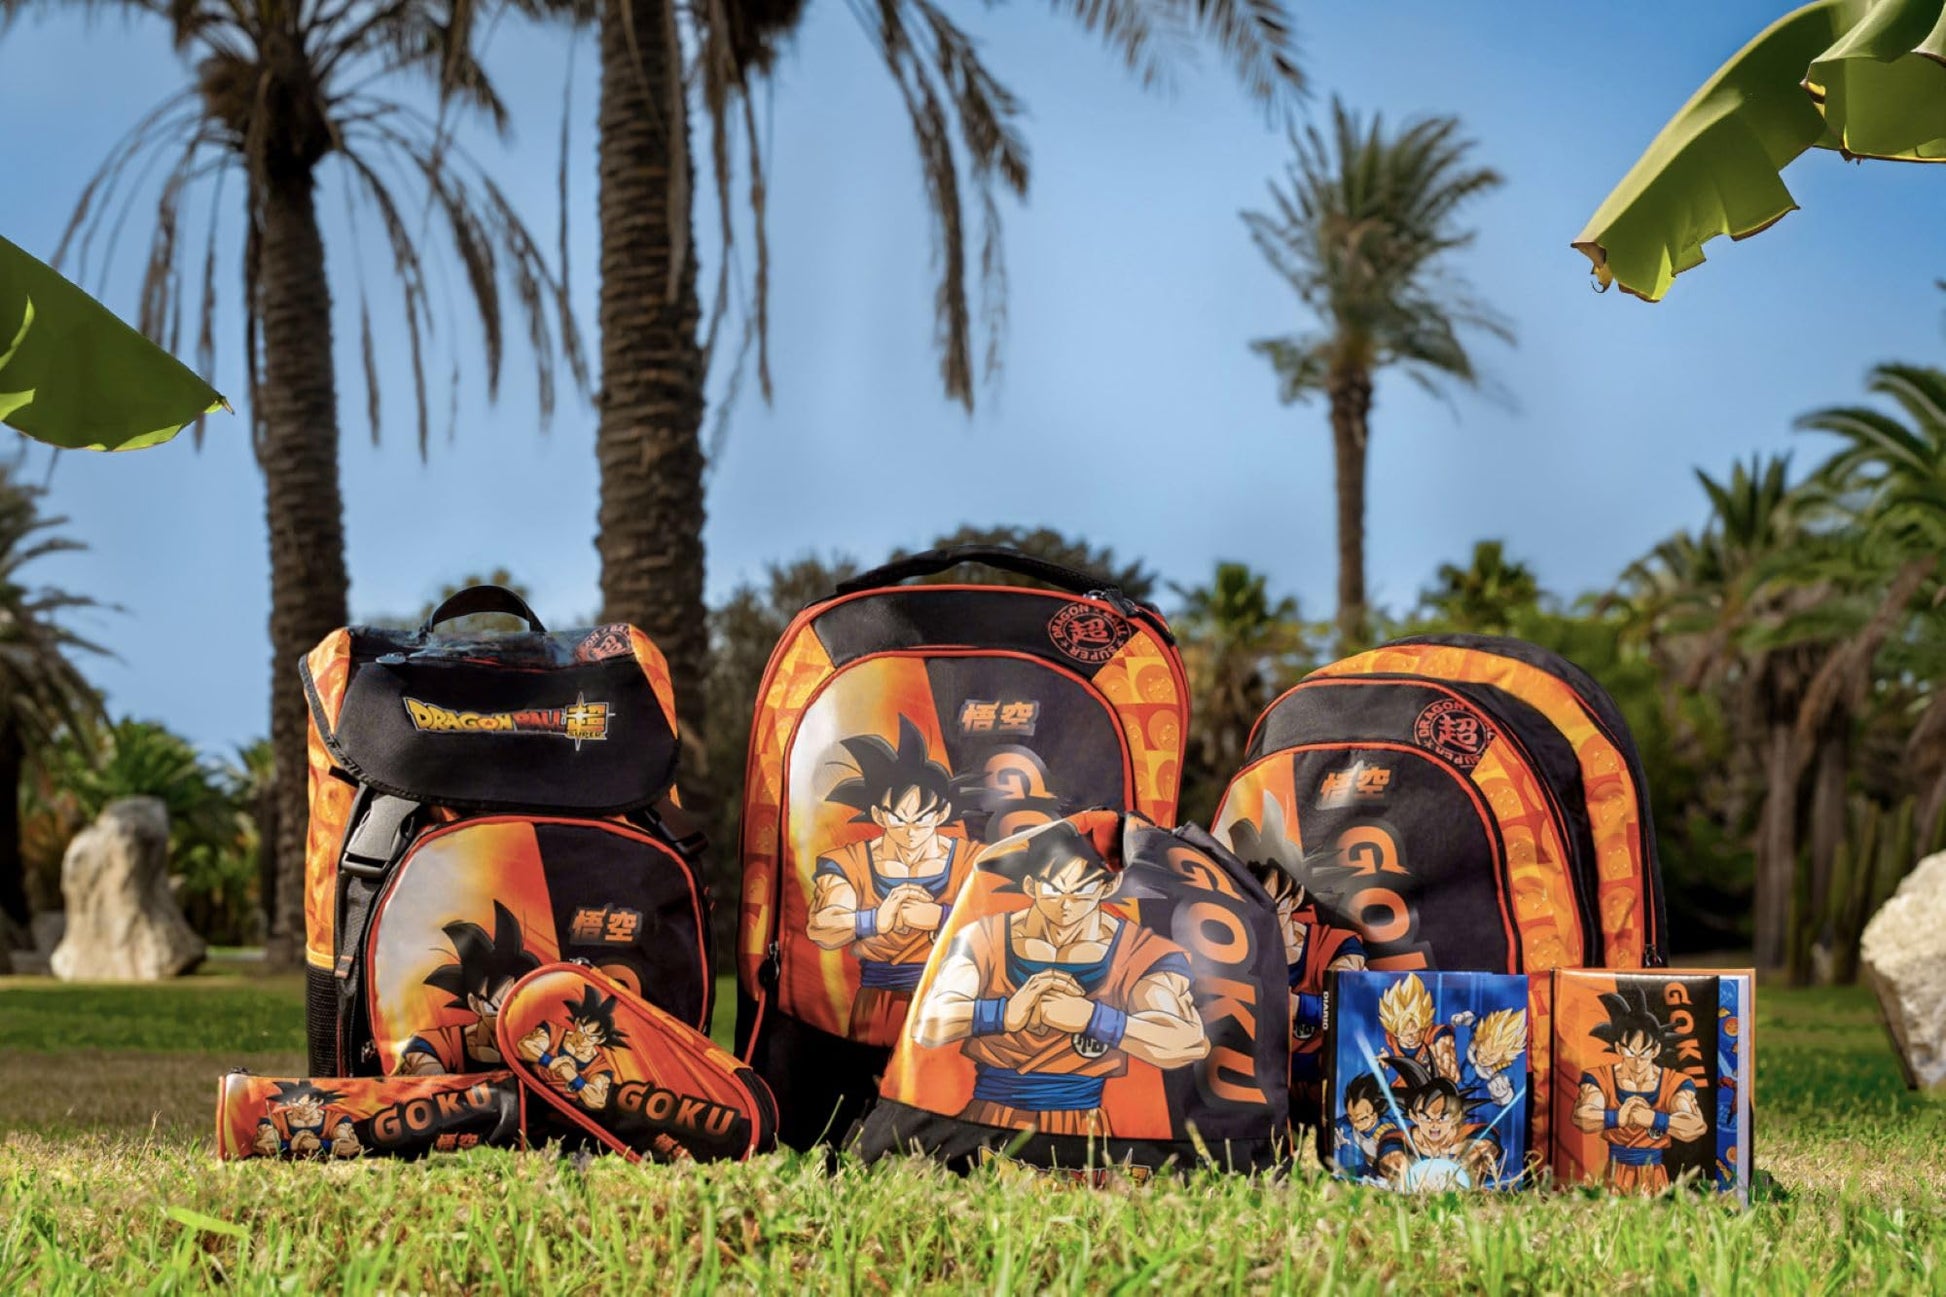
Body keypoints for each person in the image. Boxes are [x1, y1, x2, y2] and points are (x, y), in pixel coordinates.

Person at [910, 821, 1210, 1138]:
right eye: (1054, 888)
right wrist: (1003, 1013)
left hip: (1083, 1131)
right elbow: (927, 1025)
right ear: (1031, 886)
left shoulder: (1142, 953)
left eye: (1083, 888)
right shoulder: (981, 938)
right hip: (985, 1123)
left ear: (1108, 886)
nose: (1066, 902)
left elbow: (1186, 1041)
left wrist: (1092, 1018)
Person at [808, 716, 974, 1040]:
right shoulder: (849, 862)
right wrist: (875, 920)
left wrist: (941, 917)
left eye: (922, 818)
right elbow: (823, 925)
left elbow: (1006, 917)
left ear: (941, 813)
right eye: (898, 819)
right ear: (879, 815)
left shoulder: (970, 860)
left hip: (951, 1003)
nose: (910, 830)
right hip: (877, 1006)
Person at [1569, 985, 1707, 1192]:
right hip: (1614, 1173)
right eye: (1630, 1051)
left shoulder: (1674, 1082)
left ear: (1656, 1049)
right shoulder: (1600, 1077)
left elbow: (1695, 1126)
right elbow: (1582, 1116)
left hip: (1654, 1175)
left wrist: (1652, 1119)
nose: (1637, 1059)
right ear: (1618, 1048)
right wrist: (1618, 1117)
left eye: (1644, 1052)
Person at [399, 901, 541, 1075]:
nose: (510, 1018)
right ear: (474, 1003)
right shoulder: (448, 1044)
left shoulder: (546, 1038)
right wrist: (428, 1069)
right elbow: (421, 1049)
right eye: (496, 1008)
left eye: (522, 1007)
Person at [1373, 1057, 1502, 1190]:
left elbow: (1487, 1137)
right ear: (1414, 1116)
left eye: (1443, 1117)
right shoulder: (1401, 1140)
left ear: (1456, 1116)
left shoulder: (1467, 1135)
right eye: (1426, 1117)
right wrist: (1396, 1160)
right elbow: (1389, 1148)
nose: (1434, 1125)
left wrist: (1472, 1153)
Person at [515, 985, 629, 1112]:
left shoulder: (599, 1065)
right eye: (583, 1030)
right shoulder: (554, 1031)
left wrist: (574, 1078)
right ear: (577, 1023)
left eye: (591, 1037)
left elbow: (598, 1101)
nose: (583, 1038)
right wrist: (550, 1062)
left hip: (560, 1112)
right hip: (525, 1091)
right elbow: (525, 1045)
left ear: (600, 1040)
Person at [251, 1081, 363, 1160]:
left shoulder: (336, 1119)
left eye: (310, 1104)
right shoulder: (273, 1120)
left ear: (319, 1102)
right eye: (299, 1104)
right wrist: (291, 1145)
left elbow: (350, 1146)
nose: (304, 1108)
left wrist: (320, 1145)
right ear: (289, 1103)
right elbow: (262, 1145)